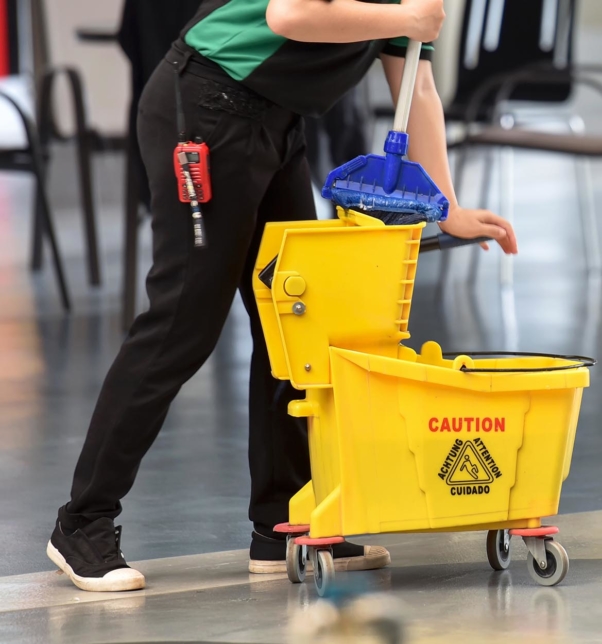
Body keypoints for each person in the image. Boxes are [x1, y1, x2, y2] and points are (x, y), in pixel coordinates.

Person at [47, 0, 518, 592]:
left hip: (278, 124)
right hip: (206, 107)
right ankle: (83, 521)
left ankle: (282, 525)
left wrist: (446, 209)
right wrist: (402, 21)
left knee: (294, 325)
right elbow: (291, 15)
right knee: (183, 324)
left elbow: (417, 84)